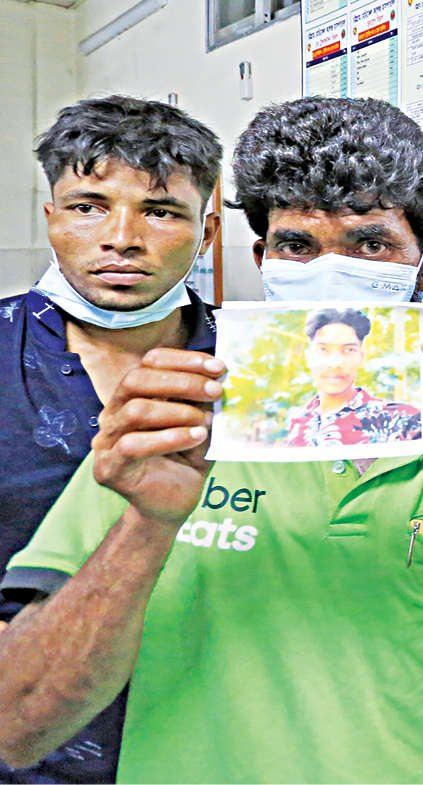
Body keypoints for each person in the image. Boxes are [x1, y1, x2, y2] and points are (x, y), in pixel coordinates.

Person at [0, 97, 423, 784]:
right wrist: (148, 524)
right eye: (297, 246)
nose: (331, 271)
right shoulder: (173, 406)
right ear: (262, 257)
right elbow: (20, 724)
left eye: (370, 244)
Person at [0, 96, 221, 784]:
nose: (122, 237)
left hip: (211, 739)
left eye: (161, 211)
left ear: (207, 232)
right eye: (89, 206)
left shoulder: (257, 368)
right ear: (51, 217)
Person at [284, 308, 422, 447]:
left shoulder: (402, 419)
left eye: (349, 350)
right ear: (308, 357)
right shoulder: (298, 419)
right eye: (323, 349)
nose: (335, 363)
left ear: (361, 357)